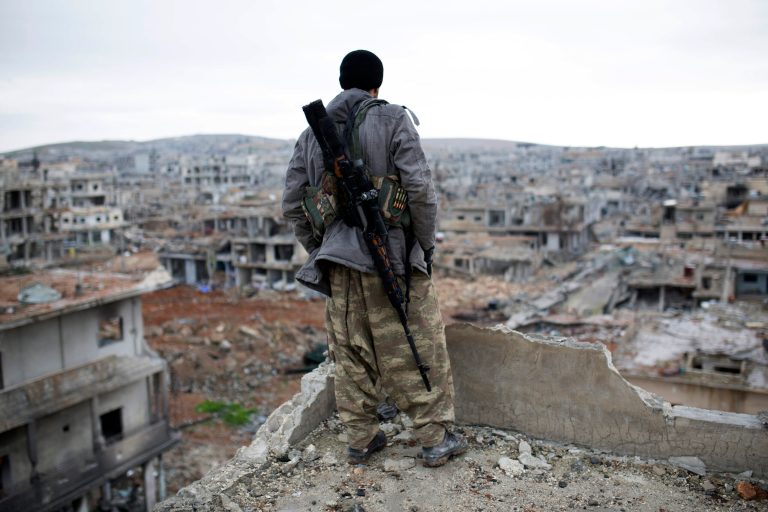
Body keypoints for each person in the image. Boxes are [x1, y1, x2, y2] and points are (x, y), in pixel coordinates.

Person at [282, 49, 466, 467]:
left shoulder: (311, 133)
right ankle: (434, 437)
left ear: (342, 81)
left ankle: (361, 438)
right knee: (413, 343)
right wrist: (423, 247)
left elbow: (293, 204)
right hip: (393, 259)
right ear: (376, 85)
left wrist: (323, 248)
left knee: (350, 351)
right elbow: (419, 189)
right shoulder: (394, 118)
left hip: (340, 265)